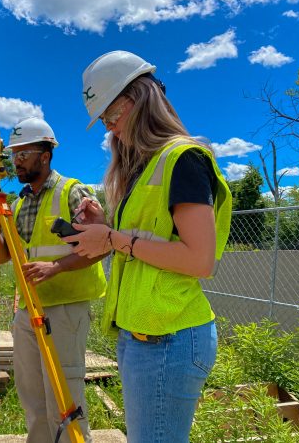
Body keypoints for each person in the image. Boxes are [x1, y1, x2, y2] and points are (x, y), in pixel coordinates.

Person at [64, 51, 233, 442]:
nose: (110, 129)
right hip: (144, 336)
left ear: (138, 98)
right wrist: (103, 227)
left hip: (168, 340)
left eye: (111, 116)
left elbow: (199, 259)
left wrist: (112, 238)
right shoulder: (145, 168)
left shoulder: (183, 158)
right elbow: (143, 244)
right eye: (104, 121)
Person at [0, 116, 107, 443]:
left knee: (64, 398)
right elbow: (5, 255)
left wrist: (56, 267)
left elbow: (100, 247)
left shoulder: (73, 191)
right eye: (14, 155)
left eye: (24, 154)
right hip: (30, 308)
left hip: (65, 309)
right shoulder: (20, 202)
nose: (17, 162)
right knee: (33, 396)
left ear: (45, 155)